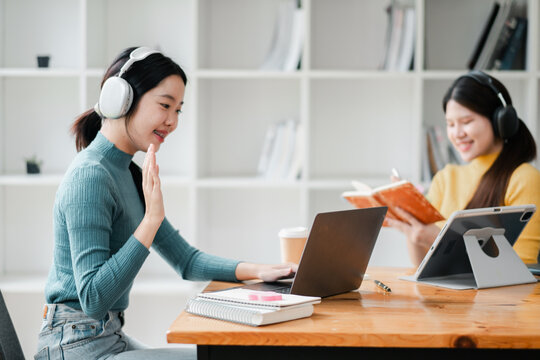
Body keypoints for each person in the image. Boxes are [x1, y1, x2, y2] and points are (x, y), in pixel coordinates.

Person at [34, 47, 296, 360]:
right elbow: (93, 298)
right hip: (75, 345)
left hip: (106, 337)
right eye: (164, 105)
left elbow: (187, 262)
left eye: (178, 110)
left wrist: (262, 271)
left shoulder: (128, 173)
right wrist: (150, 222)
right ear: (122, 99)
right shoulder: (91, 175)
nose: (171, 121)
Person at [388, 71, 540, 267]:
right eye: (450, 124)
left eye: (467, 122)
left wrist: (439, 239)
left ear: (500, 120)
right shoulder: (445, 178)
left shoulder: (524, 179)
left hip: (498, 299)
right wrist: (413, 226)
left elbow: (522, 270)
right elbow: (423, 268)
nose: (457, 133)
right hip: (442, 296)